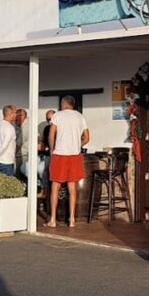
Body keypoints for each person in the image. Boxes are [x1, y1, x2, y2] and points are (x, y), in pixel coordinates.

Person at [46, 96, 89, 228]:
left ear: (63, 104)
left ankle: (52, 219)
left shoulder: (57, 116)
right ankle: (72, 220)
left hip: (60, 154)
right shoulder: (80, 117)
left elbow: (51, 136)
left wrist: (52, 151)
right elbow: (87, 138)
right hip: (74, 155)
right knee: (72, 188)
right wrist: (77, 144)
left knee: (55, 186)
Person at [20, 109, 54, 196]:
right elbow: (41, 141)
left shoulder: (60, 128)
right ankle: (37, 183)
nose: (49, 121)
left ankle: (44, 190)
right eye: (47, 119)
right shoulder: (46, 128)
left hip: (51, 155)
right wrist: (39, 144)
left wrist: (46, 148)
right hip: (40, 153)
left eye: (50, 119)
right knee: (25, 167)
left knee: (40, 169)